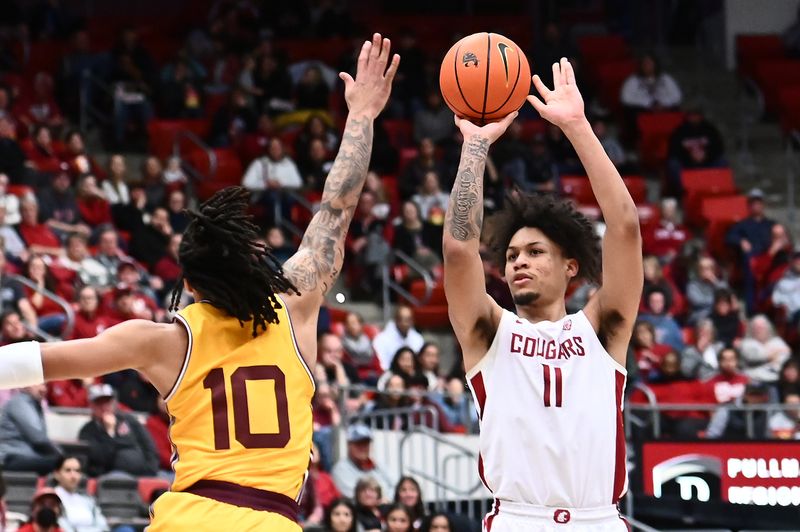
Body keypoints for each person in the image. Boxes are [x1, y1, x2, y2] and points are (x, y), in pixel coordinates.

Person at [0, 33, 399, 531]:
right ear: (256, 265)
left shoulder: (163, 341)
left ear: (188, 284)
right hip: (272, 521)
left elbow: (39, 360)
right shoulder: (296, 304)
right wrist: (361, 116)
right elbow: (336, 209)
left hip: (190, 518)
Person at [443, 58, 641, 530]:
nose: (519, 263)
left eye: (534, 252)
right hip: (519, 519)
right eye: (511, 256)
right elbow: (457, 249)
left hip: (599, 520)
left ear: (571, 266)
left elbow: (626, 226)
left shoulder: (602, 329)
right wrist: (474, 147)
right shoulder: (489, 331)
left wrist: (577, 127)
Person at [78, 384, 158, 478]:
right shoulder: (87, 431)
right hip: (111, 479)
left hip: (143, 474)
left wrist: (150, 472)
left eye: (107, 402)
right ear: (91, 406)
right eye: (99, 402)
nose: (104, 407)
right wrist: (110, 432)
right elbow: (100, 460)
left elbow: (149, 446)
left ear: (113, 403)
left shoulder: (129, 420)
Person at [331, 424, 395, 499]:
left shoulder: (378, 465)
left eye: (365, 443)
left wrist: (387, 499)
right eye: (358, 444)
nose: (362, 447)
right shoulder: (341, 469)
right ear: (349, 445)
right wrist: (382, 499)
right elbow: (358, 496)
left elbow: (395, 486)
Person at [372, 306, 425, 370]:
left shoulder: (418, 339)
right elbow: (383, 365)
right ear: (396, 320)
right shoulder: (380, 339)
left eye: (409, 320)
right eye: (403, 320)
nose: (406, 324)